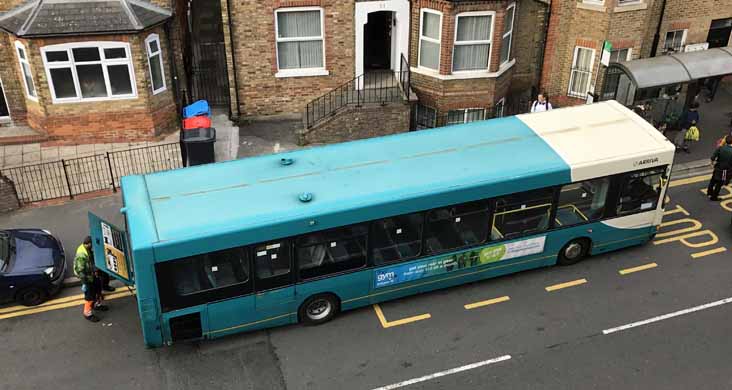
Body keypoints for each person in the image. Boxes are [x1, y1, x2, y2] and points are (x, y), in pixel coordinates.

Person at [74, 236, 108, 322]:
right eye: (92, 245)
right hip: (87, 277)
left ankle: (97, 304)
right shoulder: (81, 255)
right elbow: (80, 271)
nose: (93, 246)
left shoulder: (87, 249)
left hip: (92, 275)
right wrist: (86, 283)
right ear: (88, 244)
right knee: (89, 296)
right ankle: (87, 313)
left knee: (98, 289)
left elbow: (90, 261)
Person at [707, 135, 732, 201]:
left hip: (718, 167)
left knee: (713, 180)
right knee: (719, 183)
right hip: (725, 170)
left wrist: (712, 164)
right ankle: (714, 197)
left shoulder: (721, 148)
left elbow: (713, 157)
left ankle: (709, 192)